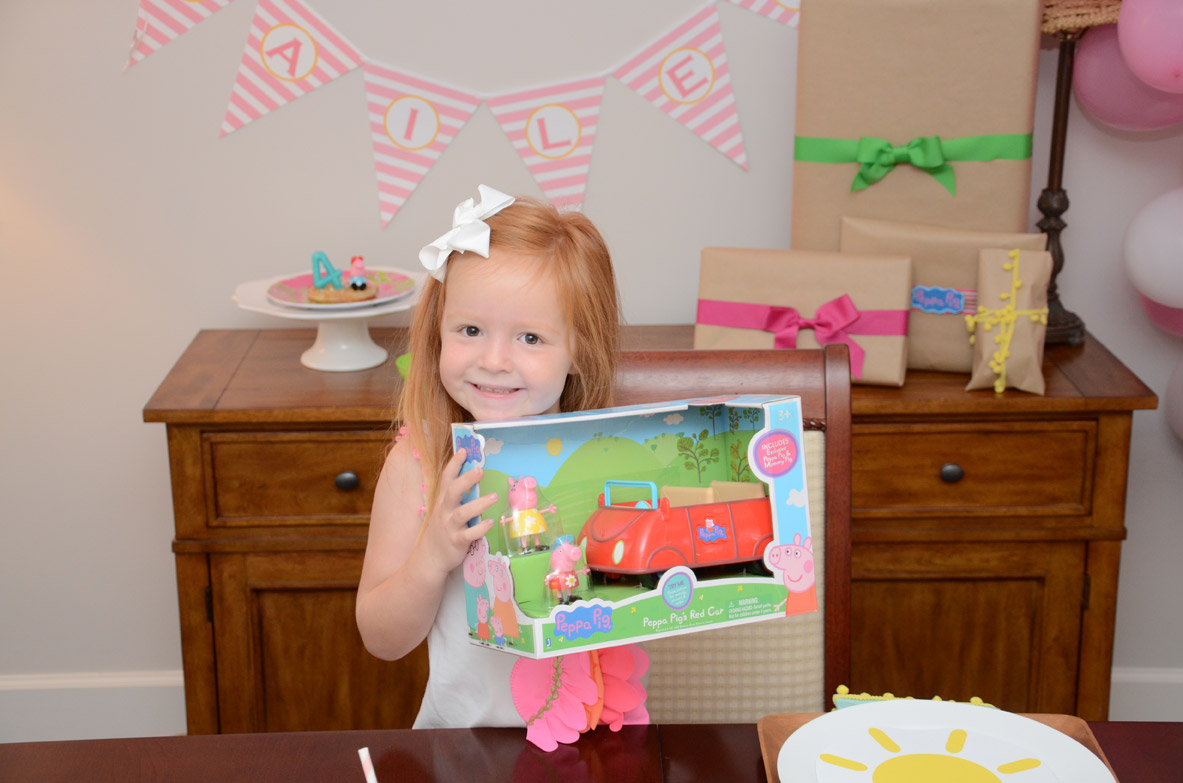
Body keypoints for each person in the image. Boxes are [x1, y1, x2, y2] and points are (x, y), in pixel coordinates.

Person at [355, 184, 621, 728]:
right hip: (460, 744)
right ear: (438, 335)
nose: (495, 360)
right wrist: (432, 555)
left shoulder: (604, 458)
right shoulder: (418, 463)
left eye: (530, 338)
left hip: (592, 737)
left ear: (579, 350)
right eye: (471, 330)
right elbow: (380, 639)